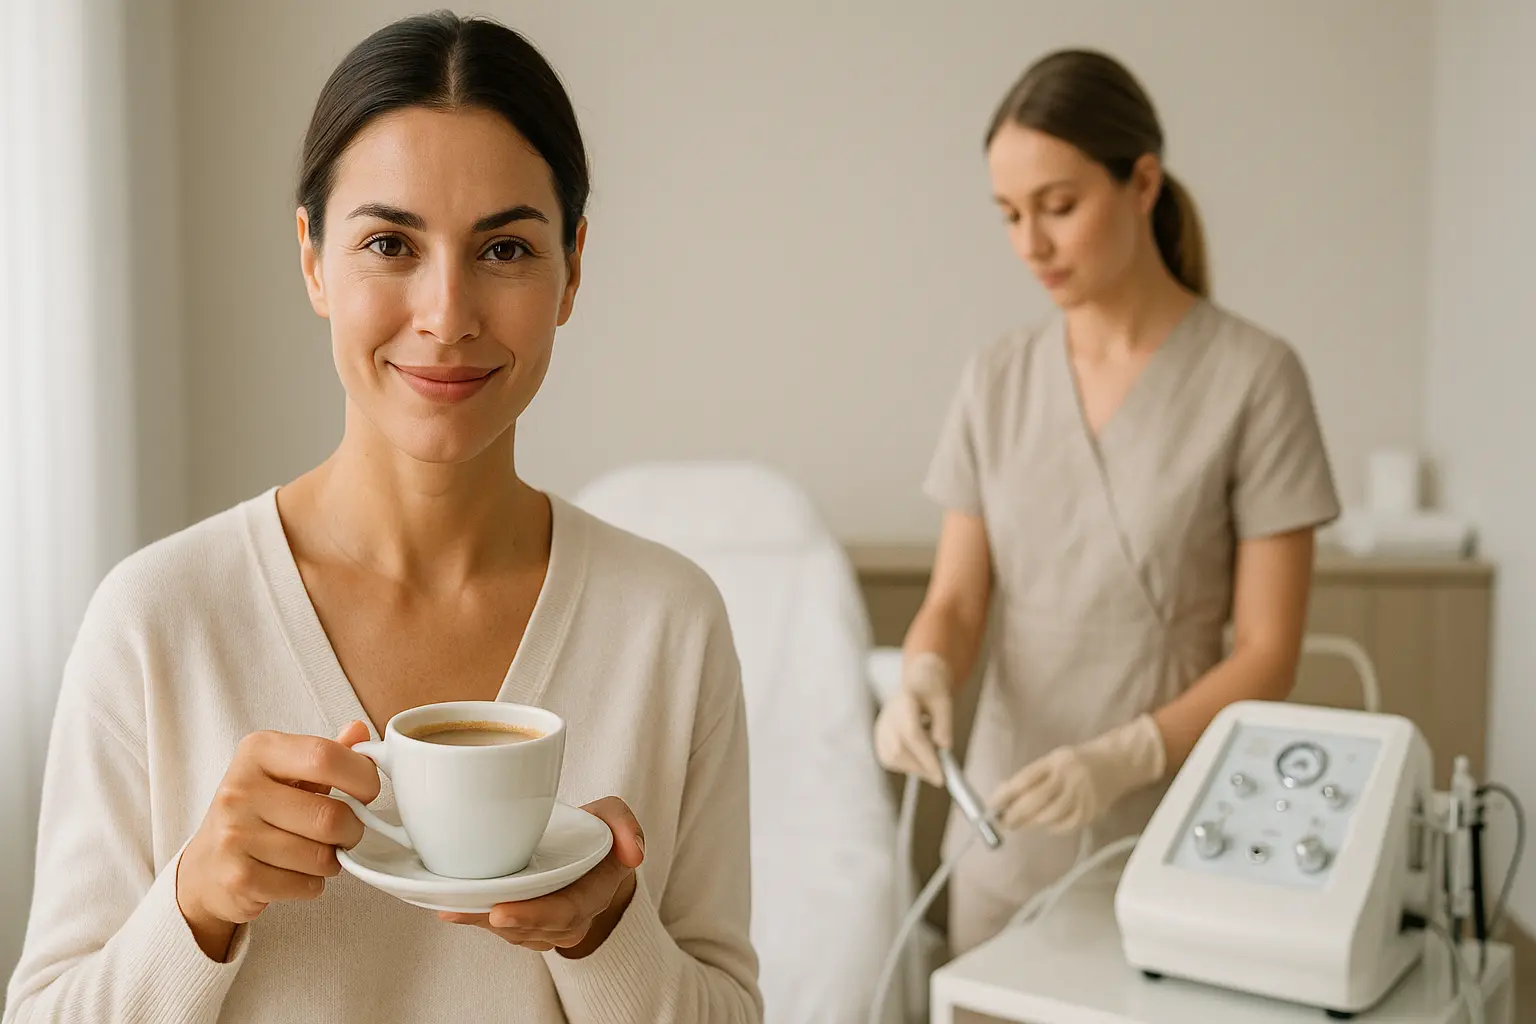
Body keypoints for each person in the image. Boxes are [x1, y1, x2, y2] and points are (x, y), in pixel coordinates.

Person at [5, 12, 761, 1023]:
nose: (447, 313)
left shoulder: (670, 622)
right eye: (391, 243)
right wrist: (197, 903)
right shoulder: (156, 620)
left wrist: (603, 933)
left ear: (573, 267)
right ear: (314, 259)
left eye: (503, 247)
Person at [873, 49, 1341, 958]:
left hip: (1173, 830)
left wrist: (1124, 756)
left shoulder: (1255, 378)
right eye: (1010, 215)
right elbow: (958, 601)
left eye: (1058, 206)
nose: (1030, 245)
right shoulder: (998, 378)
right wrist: (924, 672)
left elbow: (1270, 653)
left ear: (1143, 183)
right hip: (1005, 829)